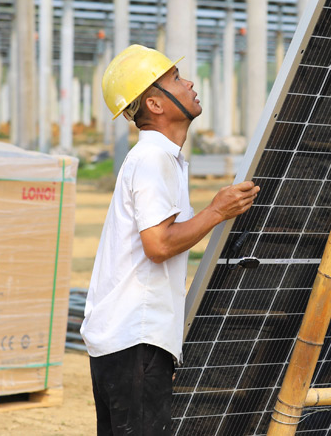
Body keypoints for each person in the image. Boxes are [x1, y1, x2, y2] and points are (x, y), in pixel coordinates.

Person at [81, 44, 260, 436]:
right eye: (175, 79)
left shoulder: (159, 158)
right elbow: (158, 244)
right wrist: (216, 211)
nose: (189, 82)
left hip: (125, 338)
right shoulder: (152, 159)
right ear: (155, 104)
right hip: (135, 339)